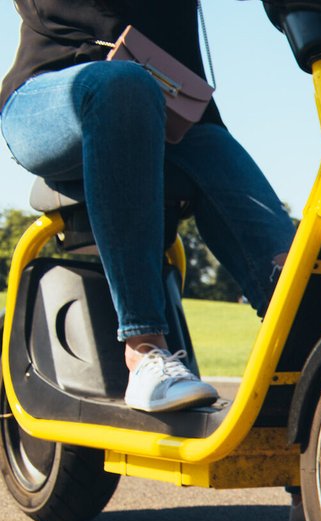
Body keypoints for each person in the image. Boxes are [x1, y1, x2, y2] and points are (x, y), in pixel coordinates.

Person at [1, 0, 296, 413]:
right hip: (49, 94)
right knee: (124, 85)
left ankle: (318, 366)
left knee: (293, 267)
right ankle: (144, 352)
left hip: (175, 107)